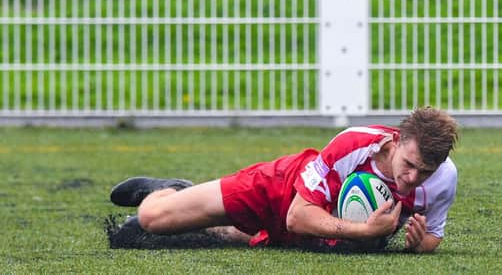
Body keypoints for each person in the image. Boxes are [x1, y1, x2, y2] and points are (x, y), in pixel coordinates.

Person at [109, 106, 458, 253]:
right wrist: (365, 232)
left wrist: (417, 246)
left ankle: (201, 205)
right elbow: (297, 216)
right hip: (281, 189)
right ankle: (167, 190)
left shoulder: (443, 179)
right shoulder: (355, 144)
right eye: (409, 165)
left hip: (315, 235)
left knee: (233, 234)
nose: (413, 178)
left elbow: (433, 237)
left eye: (425, 172)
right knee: (153, 219)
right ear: (395, 141)